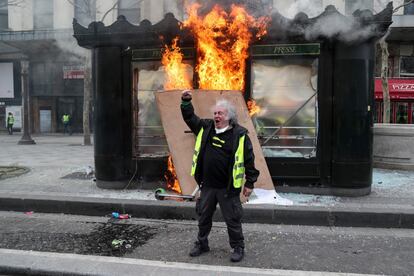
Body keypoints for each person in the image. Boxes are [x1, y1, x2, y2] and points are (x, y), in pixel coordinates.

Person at [180, 90, 259, 262]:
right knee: (203, 217)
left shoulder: (239, 135)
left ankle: (238, 247)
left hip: (227, 188)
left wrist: (250, 183)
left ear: (229, 116)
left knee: (232, 219)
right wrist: (186, 102)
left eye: (220, 113)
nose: (216, 116)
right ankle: (202, 243)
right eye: (215, 113)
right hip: (207, 185)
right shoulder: (206, 127)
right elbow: (190, 118)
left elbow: (249, 160)